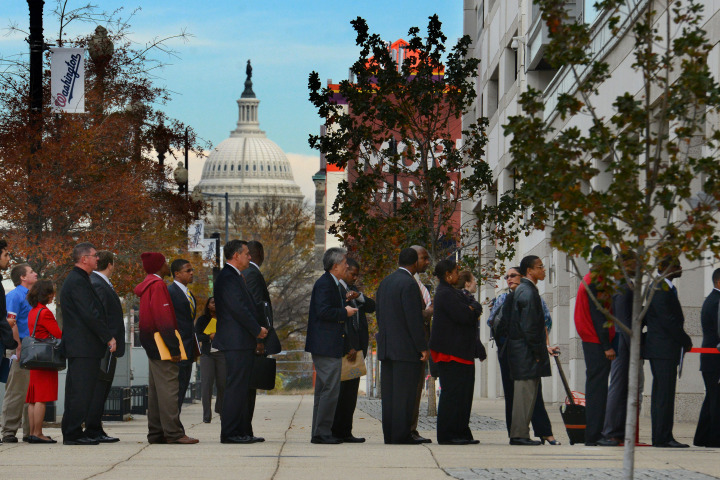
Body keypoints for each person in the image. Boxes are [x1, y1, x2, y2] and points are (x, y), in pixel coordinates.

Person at [487, 267, 560, 445]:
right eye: (507, 276)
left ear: (523, 276)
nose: (509, 279)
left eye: (513, 275)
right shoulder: (504, 297)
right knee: (514, 393)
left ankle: (541, 432)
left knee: (532, 392)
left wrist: (545, 346)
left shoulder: (531, 296)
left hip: (523, 350)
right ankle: (517, 433)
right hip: (510, 351)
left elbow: (543, 324)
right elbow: (493, 323)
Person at [134, 252, 198, 445]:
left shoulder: (147, 286)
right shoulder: (159, 285)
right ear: (158, 266)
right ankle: (174, 433)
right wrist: (174, 347)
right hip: (163, 344)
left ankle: (156, 433)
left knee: (156, 392)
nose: (166, 266)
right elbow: (164, 320)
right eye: (164, 263)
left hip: (150, 342)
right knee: (170, 388)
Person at [61, 243, 117, 445]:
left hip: (84, 346)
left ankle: (75, 430)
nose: (97, 259)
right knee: (80, 392)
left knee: (82, 390)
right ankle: (73, 432)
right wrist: (107, 336)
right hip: (82, 347)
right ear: (84, 258)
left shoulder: (81, 279)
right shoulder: (77, 280)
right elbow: (89, 313)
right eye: (94, 256)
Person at [213, 240, 268, 444]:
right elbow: (238, 309)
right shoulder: (228, 277)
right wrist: (256, 329)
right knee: (236, 388)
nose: (250, 257)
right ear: (236, 255)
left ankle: (244, 431)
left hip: (242, 340)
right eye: (246, 254)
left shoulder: (236, 276)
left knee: (243, 388)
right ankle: (231, 433)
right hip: (235, 340)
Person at [376, 248, 429, 445]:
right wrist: (421, 346)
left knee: (389, 395)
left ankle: (390, 434)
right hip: (406, 349)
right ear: (414, 263)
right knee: (404, 394)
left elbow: (379, 315)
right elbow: (413, 319)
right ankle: (401, 434)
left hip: (387, 347)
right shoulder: (409, 284)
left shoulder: (385, 282)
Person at [305, 247, 357, 445]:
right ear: (335, 266)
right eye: (344, 262)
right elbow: (324, 311)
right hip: (325, 345)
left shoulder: (333, 284)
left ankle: (320, 431)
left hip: (328, 344)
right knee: (330, 390)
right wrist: (345, 312)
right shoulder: (325, 284)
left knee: (325, 390)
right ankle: (322, 433)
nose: (347, 265)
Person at [430, 260, 482, 445]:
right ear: (447, 275)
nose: (458, 275)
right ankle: (448, 434)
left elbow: (472, 309)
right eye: (456, 271)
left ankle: (461, 431)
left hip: (461, 351)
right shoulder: (444, 293)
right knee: (452, 394)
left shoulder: (451, 292)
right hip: (451, 352)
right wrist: (472, 309)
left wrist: (473, 308)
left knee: (463, 395)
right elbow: (465, 315)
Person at [644, 256, 692, 448]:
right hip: (663, 349)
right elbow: (667, 320)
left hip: (664, 349)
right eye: (676, 266)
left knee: (662, 394)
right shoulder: (659, 288)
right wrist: (685, 339)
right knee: (663, 395)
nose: (680, 268)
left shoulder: (665, 287)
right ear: (665, 268)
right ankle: (663, 437)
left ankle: (662, 435)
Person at [574, 245, 617, 446]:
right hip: (596, 341)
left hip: (592, 339)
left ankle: (594, 434)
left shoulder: (592, 279)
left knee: (596, 388)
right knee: (597, 390)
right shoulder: (596, 282)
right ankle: (594, 435)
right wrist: (607, 345)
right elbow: (598, 315)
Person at [507, 255, 551, 446]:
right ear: (529, 271)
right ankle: (520, 434)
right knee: (525, 396)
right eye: (540, 267)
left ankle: (521, 433)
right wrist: (538, 352)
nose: (544, 270)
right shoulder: (528, 292)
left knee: (527, 395)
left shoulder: (525, 290)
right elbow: (530, 328)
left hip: (523, 351)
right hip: (526, 353)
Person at [331, 257, 375, 443]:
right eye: (352, 274)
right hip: (345, 349)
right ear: (344, 270)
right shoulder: (336, 290)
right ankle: (335, 430)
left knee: (351, 393)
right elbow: (339, 321)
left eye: (357, 275)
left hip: (358, 349)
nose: (355, 278)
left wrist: (360, 297)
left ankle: (346, 431)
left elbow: (373, 307)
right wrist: (348, 346)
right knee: (340, 393)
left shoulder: (354, 291)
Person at [243, 240, 282, 436]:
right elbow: (257, 307)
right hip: (253, 339)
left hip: (250, 338)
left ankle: (245, 429)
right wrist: (259, 339)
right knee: (248, 388)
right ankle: (245, 429)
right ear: (260, 254)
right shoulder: (252, 274)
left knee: (248, 387)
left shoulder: (247, 273)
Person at [87, 250, 125, 443]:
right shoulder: (98, 284)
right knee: (100, 388)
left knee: (103, 388)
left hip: (108, 344)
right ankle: (93, 428)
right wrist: (108, 338)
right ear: (110, 264)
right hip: (105, 346)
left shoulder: (100, 283)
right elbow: (100, 315)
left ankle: (96, 427)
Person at [603, 251, 638, 444]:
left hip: (622, 341)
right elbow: (624, 321)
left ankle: (616, 430)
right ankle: (611, 431)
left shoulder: (624, 285)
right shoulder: (622, 287)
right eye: (633, 263)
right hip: (622, 342)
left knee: (621, 387)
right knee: (617, 386)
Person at [25, 279, 61, 444]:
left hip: (35, 358)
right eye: (51, 292)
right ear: (45, 294)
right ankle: (38, 433)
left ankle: (33, 432)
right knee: (42, 397)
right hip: (45, 359)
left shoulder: (33, 311)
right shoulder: (45, 312)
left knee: (33, 398)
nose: (53, 295)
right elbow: (58, 334)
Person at [1, 261, 33, 443]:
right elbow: (10, 322)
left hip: (32, 348)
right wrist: (18, 345)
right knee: (16, 390)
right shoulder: (15, 296)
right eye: (31, 272)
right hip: (20, 347)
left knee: (31, 392)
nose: (35, 274)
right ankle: (9, 431)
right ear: (23, 277)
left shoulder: (32, 296)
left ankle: (30, 431)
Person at [409, 245, 433, 444]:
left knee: (416, 391)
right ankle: (409, 429)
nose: (427, 262)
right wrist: (430, 310)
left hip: (419, 345)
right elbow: (415, 316)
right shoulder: (410, 284)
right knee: (412, 390)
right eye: (424, 258)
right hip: (414, 348)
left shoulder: (418, 283)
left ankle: (412, 428)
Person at [693, 268, 720, 448]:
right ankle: (715, 439)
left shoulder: (711, 299)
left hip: (710, 359)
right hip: (715, 358)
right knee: (716, 400)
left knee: (711, 398)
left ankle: (702, 437)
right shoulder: (717, 301)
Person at [168, 259, 198, 411]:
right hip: (177, 350)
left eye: (192, 270)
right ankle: (172, 429)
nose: (192, 273)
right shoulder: (170, 292)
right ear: (177, 274)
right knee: (176, 391)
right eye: (188, 271)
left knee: (183, 387)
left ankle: (176, 427)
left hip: (189, 349)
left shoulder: (189, 294)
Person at [195, 297, 226, 424]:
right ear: (208, 305)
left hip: (222, 354)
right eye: (213, 303)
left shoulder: (225, 319)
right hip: (207, 354)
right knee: (206, 385)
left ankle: (221, 410)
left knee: (223, 384)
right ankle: (206, 415)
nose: (215, 305)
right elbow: (196, 335)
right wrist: (209, 337)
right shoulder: (203, 320)